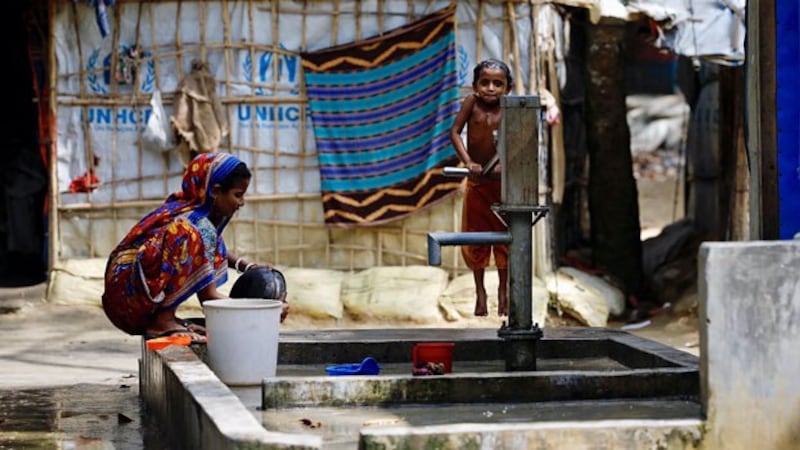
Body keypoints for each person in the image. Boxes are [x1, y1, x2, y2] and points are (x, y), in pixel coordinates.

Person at [101, 152, 287, 342]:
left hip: (124, 299)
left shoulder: (186, 211)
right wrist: (267, 310)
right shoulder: (191, 227)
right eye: (237, 195)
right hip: (128, 299)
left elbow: (211, 246)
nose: (241, 203)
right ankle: (162, 321)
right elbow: (209, 298)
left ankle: (164, 318)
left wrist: (246, 266)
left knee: (197, 234)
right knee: (188, 233)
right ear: (215, 191)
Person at [450, 59, 514, 317]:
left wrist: (506, 165)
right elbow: (454, 132)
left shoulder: (510, 109)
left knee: (504, 241)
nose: (490, 88)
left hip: (501, 186)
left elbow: (519, 139)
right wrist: (468, 162)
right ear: (475, 86)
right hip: (477, 184)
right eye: (485, 83)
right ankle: (480, 290)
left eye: (497, 84)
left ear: (507, 88)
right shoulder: (470, 104)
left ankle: (503, 290)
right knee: (475, 238)